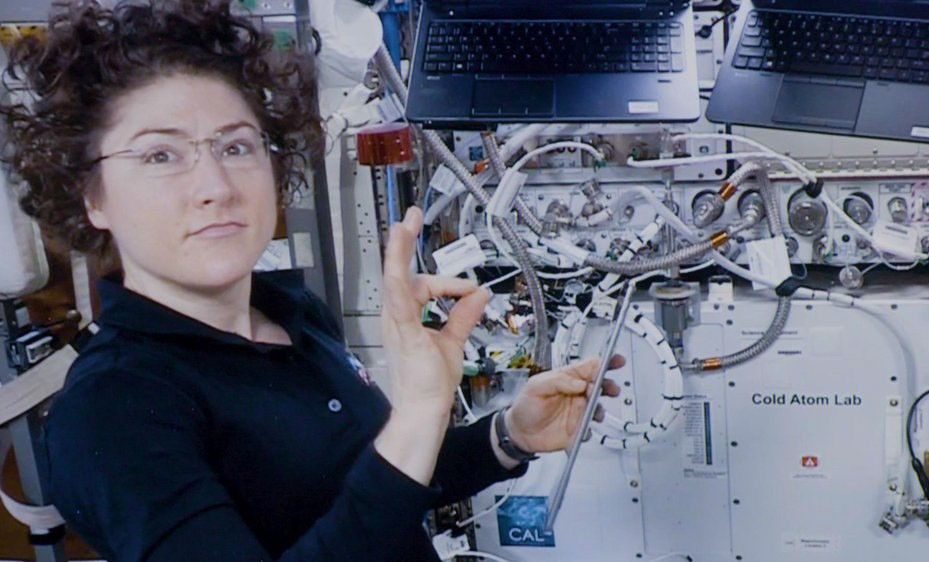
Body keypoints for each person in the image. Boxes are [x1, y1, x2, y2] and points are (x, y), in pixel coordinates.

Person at [0, 1, 623, 561]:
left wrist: (506, 436)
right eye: (161, 155)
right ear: (91, 197)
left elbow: (374, 487)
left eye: (237, 146)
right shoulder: (111, 411)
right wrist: (418, 414)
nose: (215, 186)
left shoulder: (294, 314)